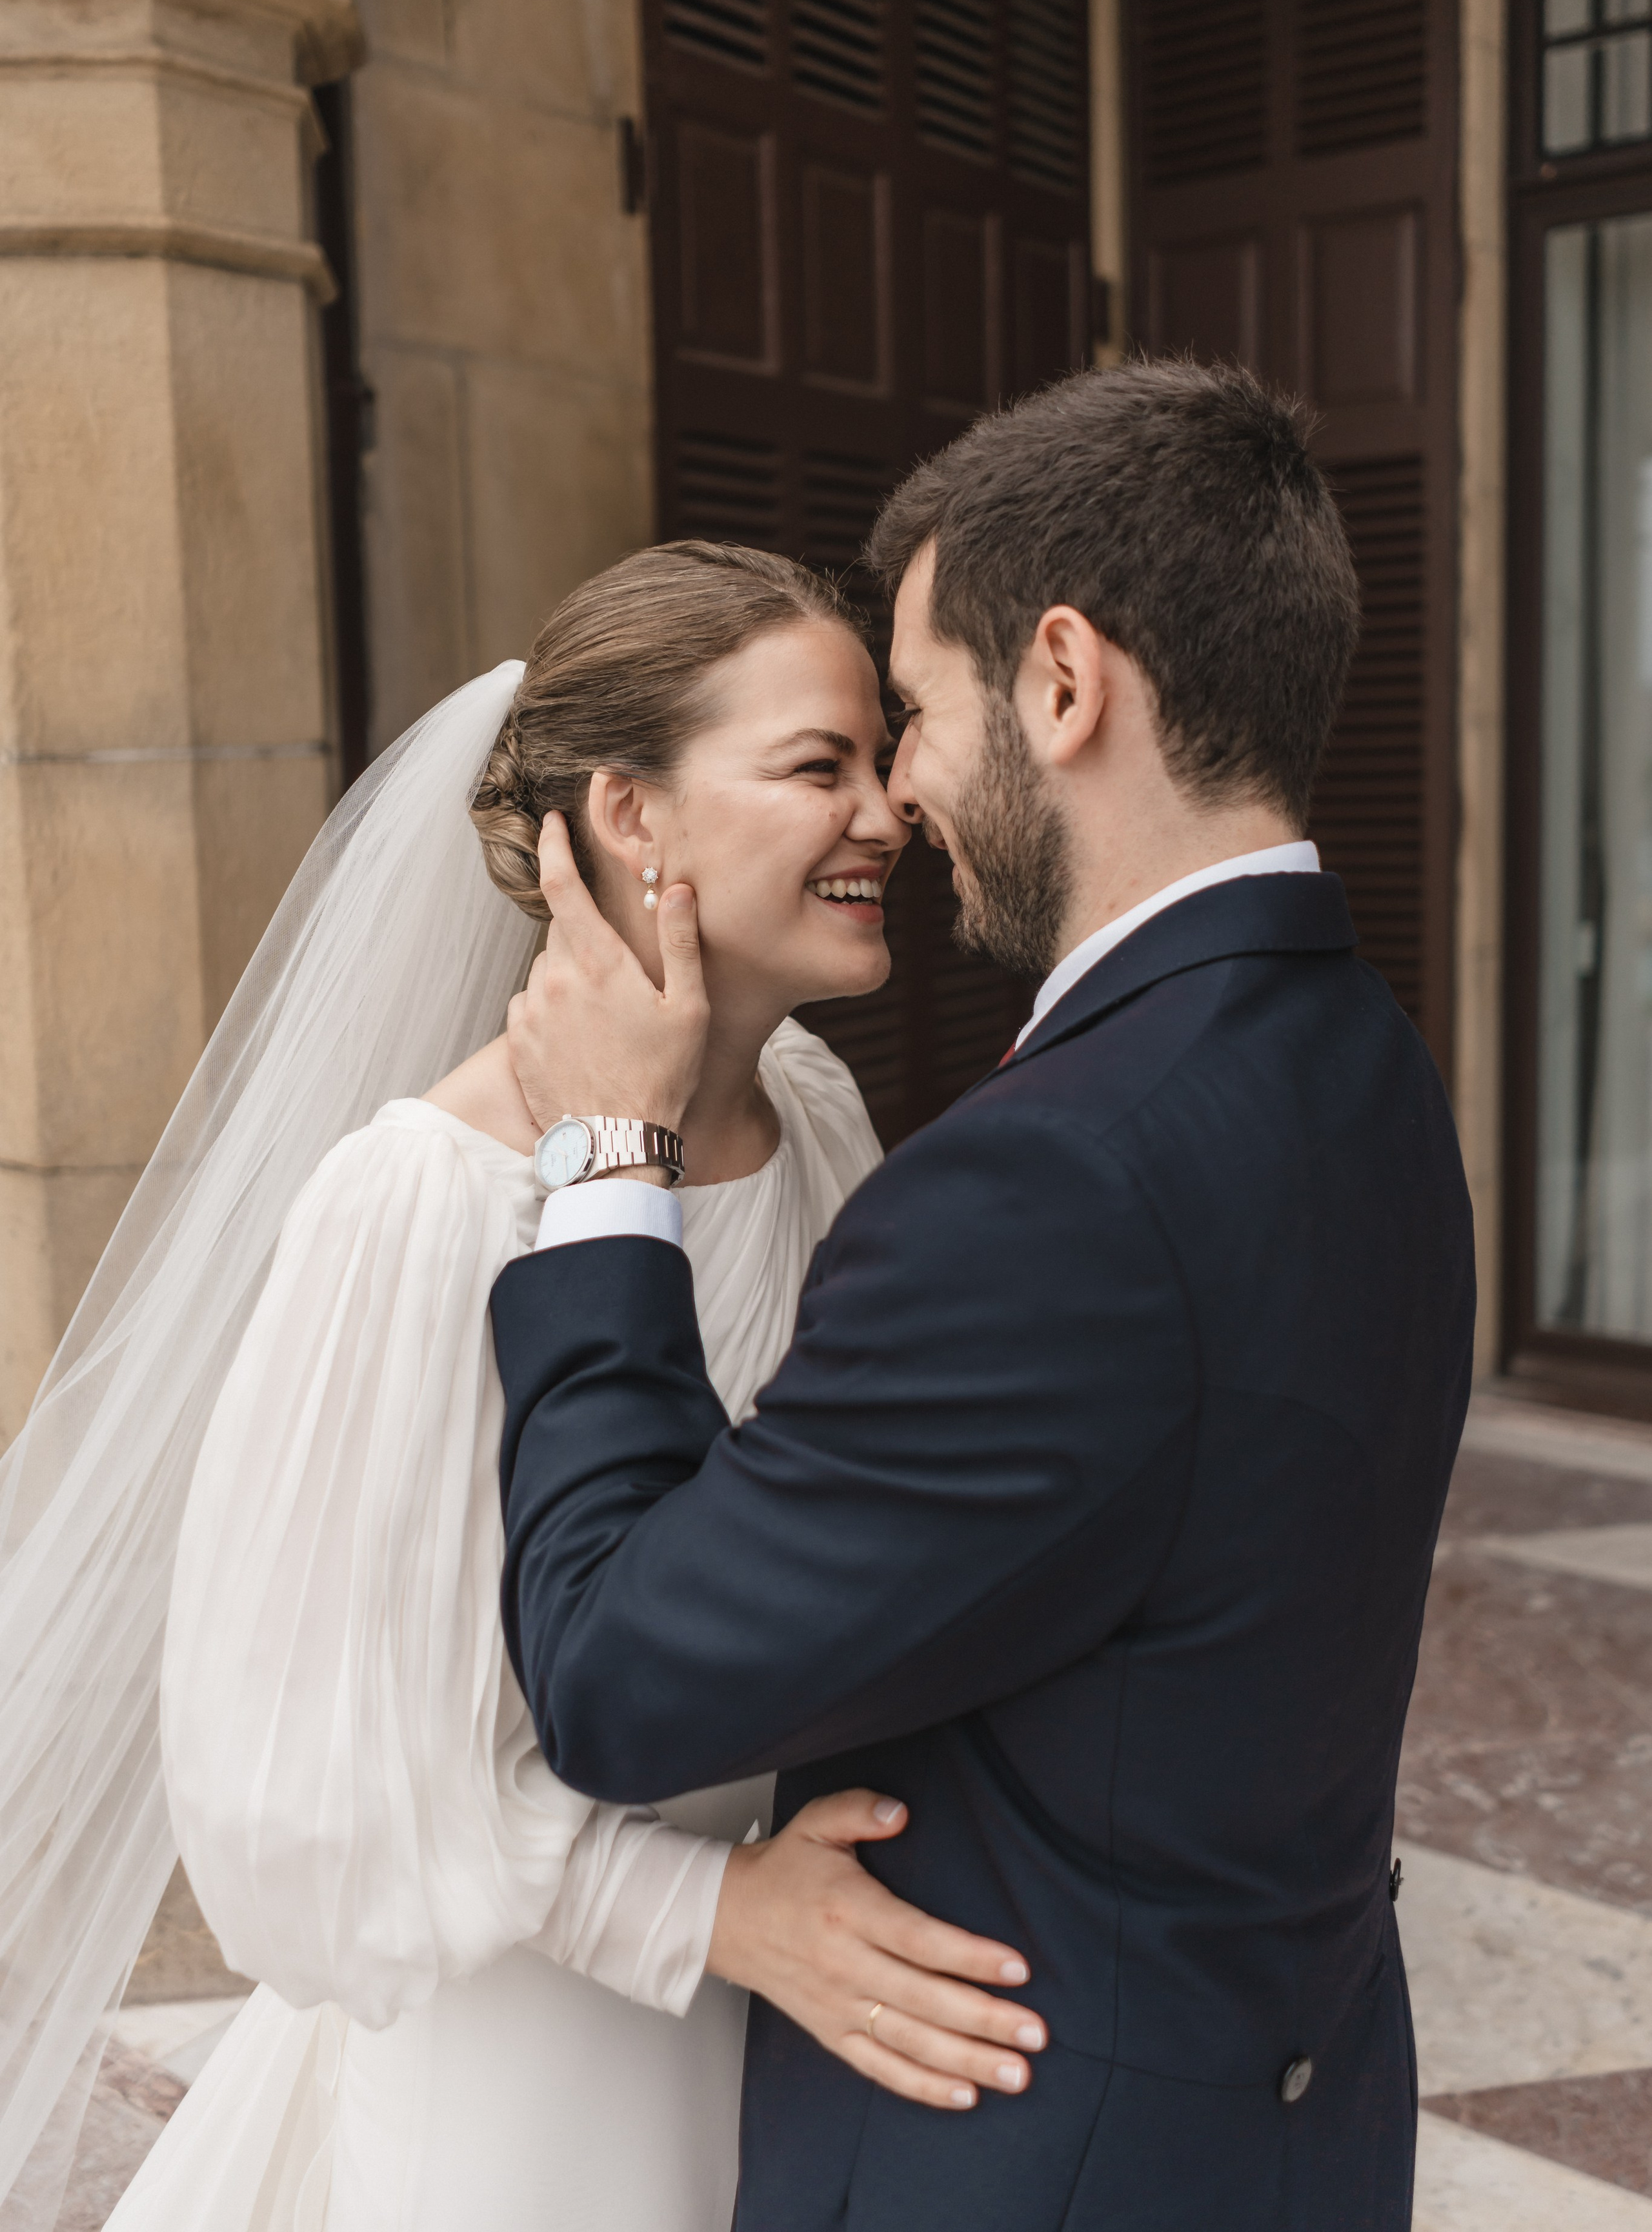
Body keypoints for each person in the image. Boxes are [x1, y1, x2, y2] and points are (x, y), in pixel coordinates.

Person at [490, 361, 1478, 2232]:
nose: (904, 796)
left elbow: (619, 1675)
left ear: (1065, 680)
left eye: (922, 713)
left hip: (1041, 2159)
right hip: (1295, 2114)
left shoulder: (1053, 1180)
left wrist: (611, 1164)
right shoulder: (1370, 1061)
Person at [0, 545, 1042, 2232]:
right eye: (817, 766)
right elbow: (314, 1773)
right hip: (534, 2067)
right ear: (630, 814)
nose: (887, 813)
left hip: (794, 2013)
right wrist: (710, 1915)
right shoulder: (421, 1201)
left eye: (879, 756)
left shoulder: (815, 1109)